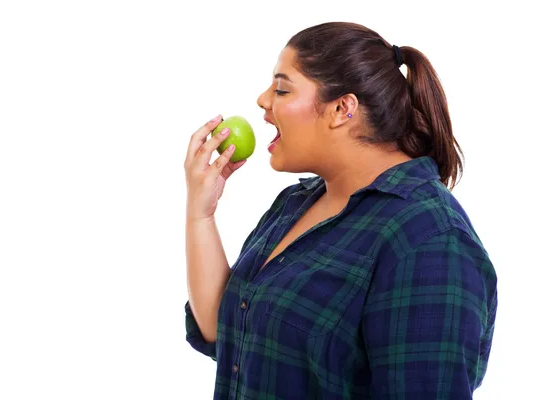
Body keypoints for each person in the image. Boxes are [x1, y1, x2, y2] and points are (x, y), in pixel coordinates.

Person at [183, 21, 497, 399]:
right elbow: (226, 332)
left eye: (282, 88)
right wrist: (200, 214)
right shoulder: (296, 204)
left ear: (342, 108)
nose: (263, 100)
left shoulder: (428, 241)